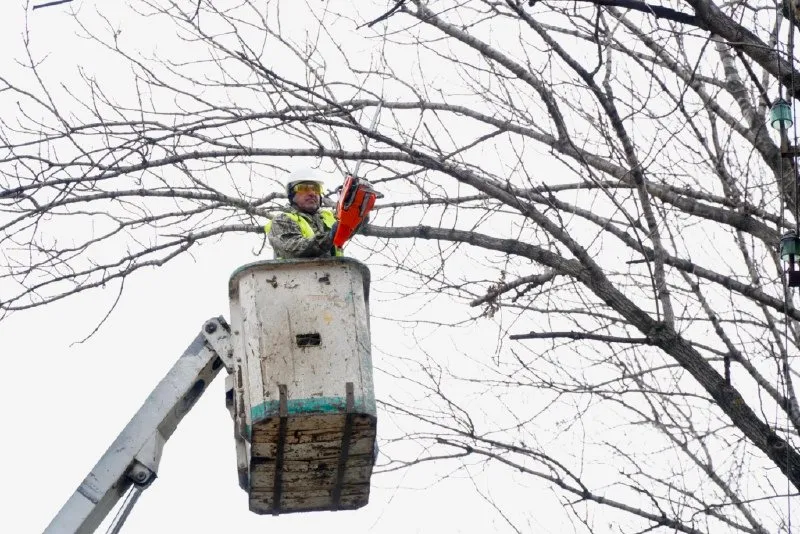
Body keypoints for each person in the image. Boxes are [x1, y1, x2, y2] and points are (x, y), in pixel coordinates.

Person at [265, 168, 344, 259]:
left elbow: (355, 224)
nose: (312, 193)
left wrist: (357, 206)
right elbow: (294, 249)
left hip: (337, 272)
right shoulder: (282, 220)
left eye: (316, 188)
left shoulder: (330, 217)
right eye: (303, 188)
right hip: (298, 273)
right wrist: (329, 237)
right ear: (292, 195)